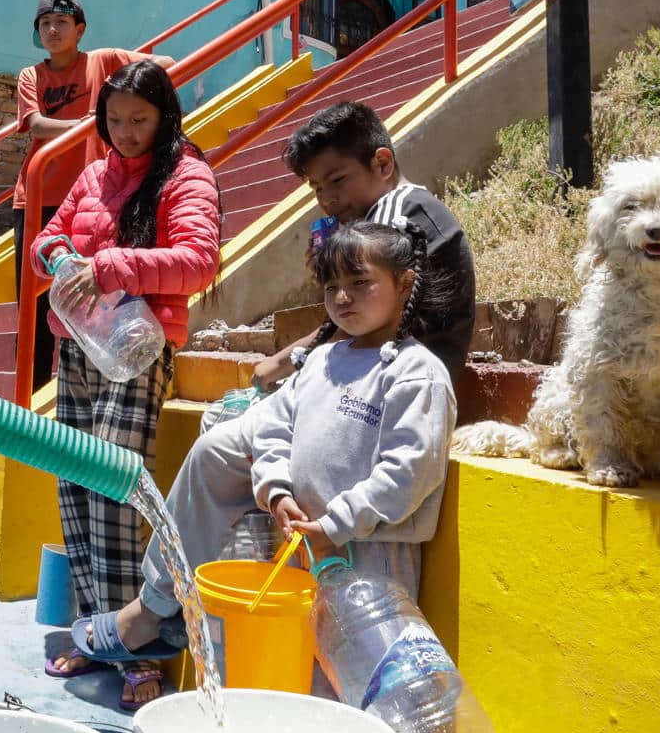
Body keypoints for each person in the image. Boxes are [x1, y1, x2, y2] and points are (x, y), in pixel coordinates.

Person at [74, 221, 458, 664]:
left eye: (360, 283)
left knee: (360, 673)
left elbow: (410, 471)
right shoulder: (322, 361)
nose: (343, 298)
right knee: (296, 664)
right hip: (299, 542)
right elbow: (273, 426)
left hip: (371, 554)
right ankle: (162, 605)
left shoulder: (415, 374)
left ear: (405, 284)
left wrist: (337, 525)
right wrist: (276, 491)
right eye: (332, 287)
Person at [34, 61, 220, 710]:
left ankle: (139, 647)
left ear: (166, 115)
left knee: (115, 492)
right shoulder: (95, 171)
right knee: (75, 489)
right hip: (78, 346)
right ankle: (94, 630)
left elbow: (198, 263)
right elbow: (49, 238)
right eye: (114, 120)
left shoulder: (186, 174)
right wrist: (57, 259)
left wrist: (110, 267)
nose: (126, 133)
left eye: (140, 120)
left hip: (139, 349)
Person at [251, 102, 476, 392]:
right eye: (317, 187)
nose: (327, 199)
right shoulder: (406, 206)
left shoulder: (395, 213)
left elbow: (357, 320)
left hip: (396, 384)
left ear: (383, 164)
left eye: (338, 180)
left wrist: (279, 363)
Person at [11, 0, 172, 389]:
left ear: (79, 30)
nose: (52, 30)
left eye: (62, 23)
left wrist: (125, 105)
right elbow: (35, 124)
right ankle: (29, 393)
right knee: (33, 301)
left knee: (89, 294)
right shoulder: (32, 75)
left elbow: (166, 65)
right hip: (38, 197)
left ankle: (77, 381)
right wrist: (93, 122)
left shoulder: (102, 61)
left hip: (93, 197)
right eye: (45, 24)